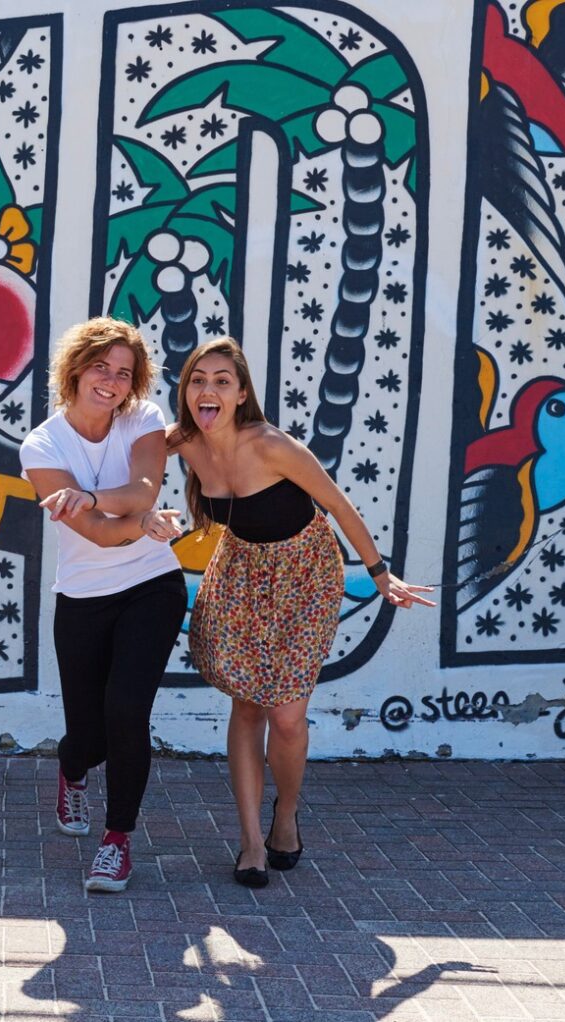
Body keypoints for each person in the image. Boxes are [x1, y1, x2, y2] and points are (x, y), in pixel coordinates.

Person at [168, 337, 432, 889]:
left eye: (221, 380)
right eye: (198, 379)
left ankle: (285, 814)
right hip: (240, 572)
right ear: (186, 391)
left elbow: (338, 504)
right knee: (247, 705)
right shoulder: (185, 443)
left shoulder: (270, 446)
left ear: (241, 394)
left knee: (286, 715)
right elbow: (121, 451)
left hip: (306, 575)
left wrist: (382, 574)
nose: (207, 389)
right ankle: (249, 842)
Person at [20, 317, 185, 893]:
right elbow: (97, 533)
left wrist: (104, 500)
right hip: (84, 597)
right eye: (101, 367)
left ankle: (118, 843)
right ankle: (71, 771)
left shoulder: (143, 418)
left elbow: (143, 490)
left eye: (124, 373)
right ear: (75, 368)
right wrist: (140, 522)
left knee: (126, 713)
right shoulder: (42, 444)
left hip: (152, 588)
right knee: (88, 737)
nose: (111, 382)